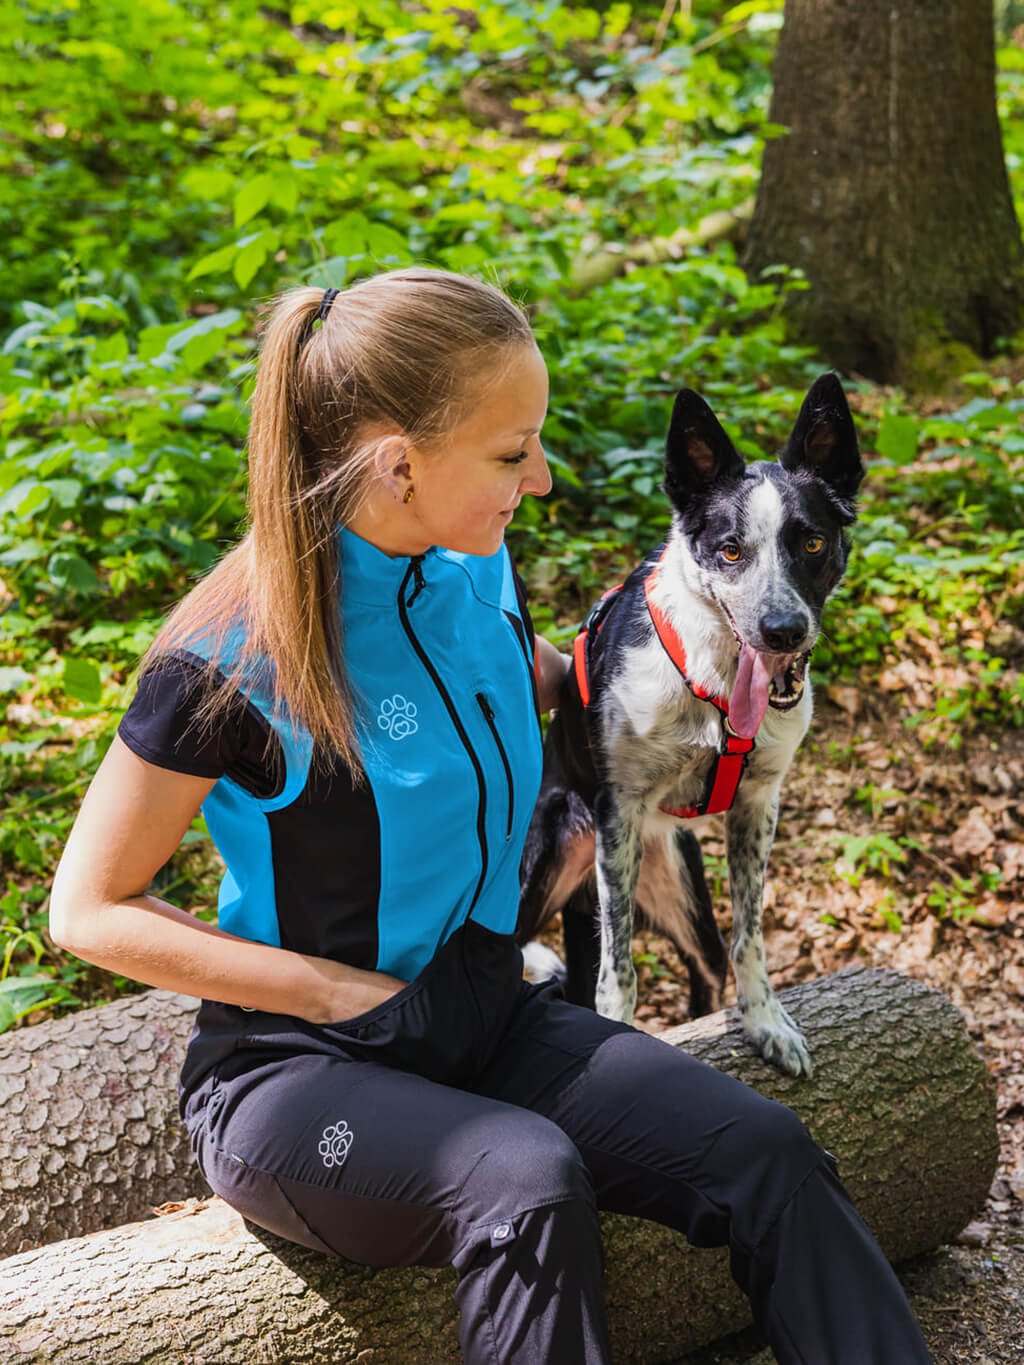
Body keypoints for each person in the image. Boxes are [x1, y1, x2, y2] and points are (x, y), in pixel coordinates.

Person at [49, 267, 933, 1364]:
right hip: (299, 1068)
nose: (546, 479)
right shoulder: (228, 657)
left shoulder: (473, 566)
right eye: (514, 454)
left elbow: (534, 677)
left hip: (483, 1014)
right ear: (397, 464)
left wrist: (670, 653)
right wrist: (337, 994)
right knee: (522, 1178)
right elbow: (88, 910)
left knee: (764, 1150)